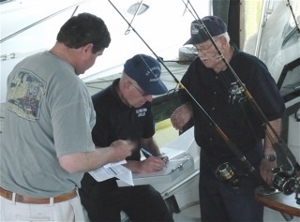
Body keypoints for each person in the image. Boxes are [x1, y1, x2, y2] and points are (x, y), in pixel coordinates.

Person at [0, 13, 134, 221]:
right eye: (96, 56)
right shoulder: (68, 84)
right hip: (45, 209)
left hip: (7, 203)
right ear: (87, 48)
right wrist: (114, 152)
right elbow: (73, 161)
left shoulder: (23, 67)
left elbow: (39, 136)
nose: (93, 62)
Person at [170, 16, 285, 222]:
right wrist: (187, 109)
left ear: (223, 43)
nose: (201, 54)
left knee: (244, 216)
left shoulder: (252, 69)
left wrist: (269, 156)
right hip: (209, 160)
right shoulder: (197, 68)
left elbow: (273, 114)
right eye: (197, 48)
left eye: (205, 47)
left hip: (244, 157)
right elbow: (187, 95)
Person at [79, 54, 174, 222]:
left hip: (132, 180)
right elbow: (91, 158)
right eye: (145, 93)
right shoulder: (97, 108)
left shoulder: (144, 103)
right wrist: (139, 166)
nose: (150, 99)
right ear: (127, 85)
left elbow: (147, 139)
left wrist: (157, 157)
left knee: (159, 212)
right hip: (100, 187)